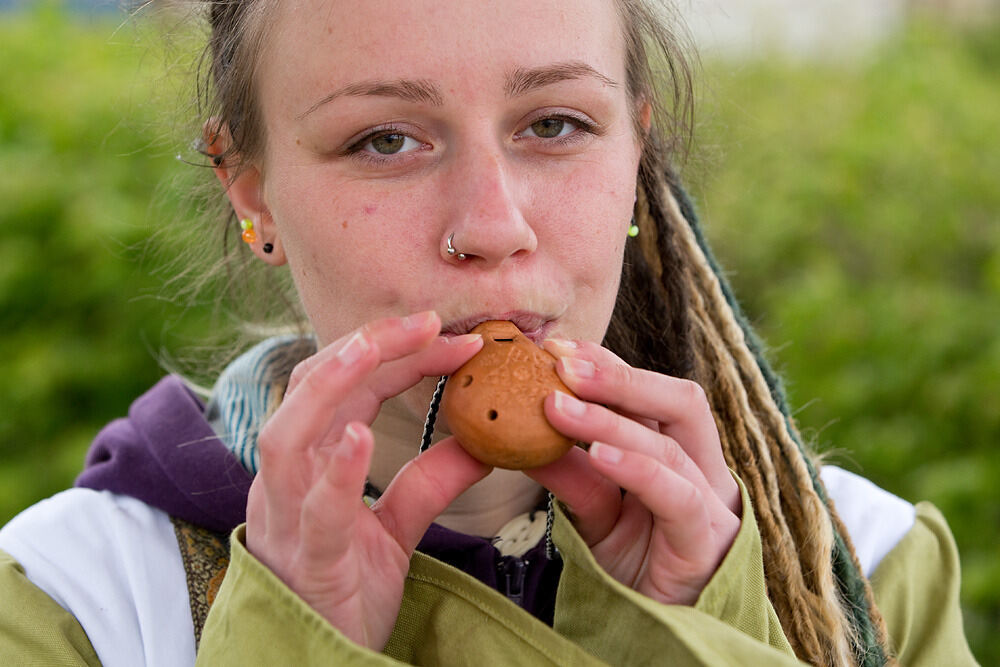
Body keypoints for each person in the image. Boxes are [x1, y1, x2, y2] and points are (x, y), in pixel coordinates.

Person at [0, 0, 978, 665]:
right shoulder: (75, 602)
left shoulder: (865, 568)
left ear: (638, 152)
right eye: (384, 139)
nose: (492, 225)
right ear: (251, 191)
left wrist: (692, 632)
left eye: (553, 124)